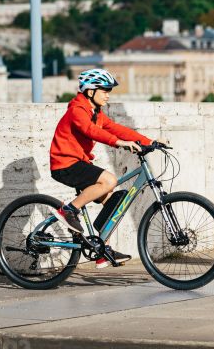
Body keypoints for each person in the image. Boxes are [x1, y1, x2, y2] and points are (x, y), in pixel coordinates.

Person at [50, 68, 153, 268]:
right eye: (104, 90)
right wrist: (119, 143)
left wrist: (150, 141)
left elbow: (116, 128)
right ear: (90, 92)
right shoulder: (77, 110)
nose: (108, 94)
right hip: (64, 163)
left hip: (79, 163)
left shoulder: (95, 113)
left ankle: (101, 251)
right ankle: (68, 210)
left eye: (109, 91)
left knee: (112, 202)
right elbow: (91, 131)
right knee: (109, 180)